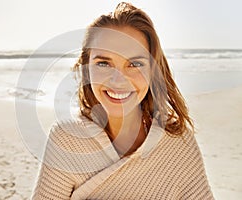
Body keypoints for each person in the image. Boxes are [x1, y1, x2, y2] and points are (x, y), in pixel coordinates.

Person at [32, 2, 214, 199]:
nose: (118, 80)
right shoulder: (66, 140)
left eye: (134, 64)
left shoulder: (178, 141)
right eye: (103, 63)